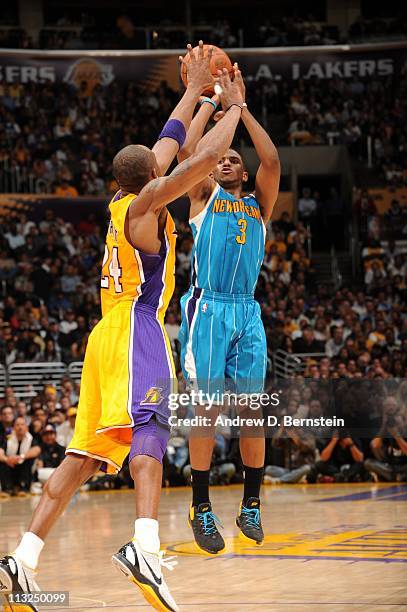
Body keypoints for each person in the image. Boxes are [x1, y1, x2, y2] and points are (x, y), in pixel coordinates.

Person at [0, 44, 245, 612]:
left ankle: (22, 560)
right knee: (153, 428)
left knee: (83, 454)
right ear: (153, 179)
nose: (165, 164)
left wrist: (197, 95)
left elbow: (171, 138)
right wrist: (233, 106)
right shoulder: (148, 204)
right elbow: (201, 162)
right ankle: (144, 547)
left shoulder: (124, 197)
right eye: (161, 168)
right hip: (137, 328)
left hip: (104, 336)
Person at [177, 65, 280, 553]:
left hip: (247, 312)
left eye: (234, 160)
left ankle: (251, 504)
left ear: (242, 172)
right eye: (222, 158)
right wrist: (215, 105)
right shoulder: (203, 196)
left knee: (252, 413)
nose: (225, 162)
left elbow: (273, 160)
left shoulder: (259, 205)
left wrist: (243, 107)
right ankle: (200, 507)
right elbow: (188, 153)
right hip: (209, 310)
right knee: (208, 409)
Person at [0, 417, 41, 496]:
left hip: (24, 467)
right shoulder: (7, 438)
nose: (20, 427)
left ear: (26, 427)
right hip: (10, 466)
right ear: (14, 427)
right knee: (2, 462)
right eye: (17, 425)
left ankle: (24, 488)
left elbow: (37, 449)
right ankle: (7, 489)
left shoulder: (31, 438)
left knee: (29, 460)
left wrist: (22, 457)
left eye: (22, 424)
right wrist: (7, 459)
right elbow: (0, 452)